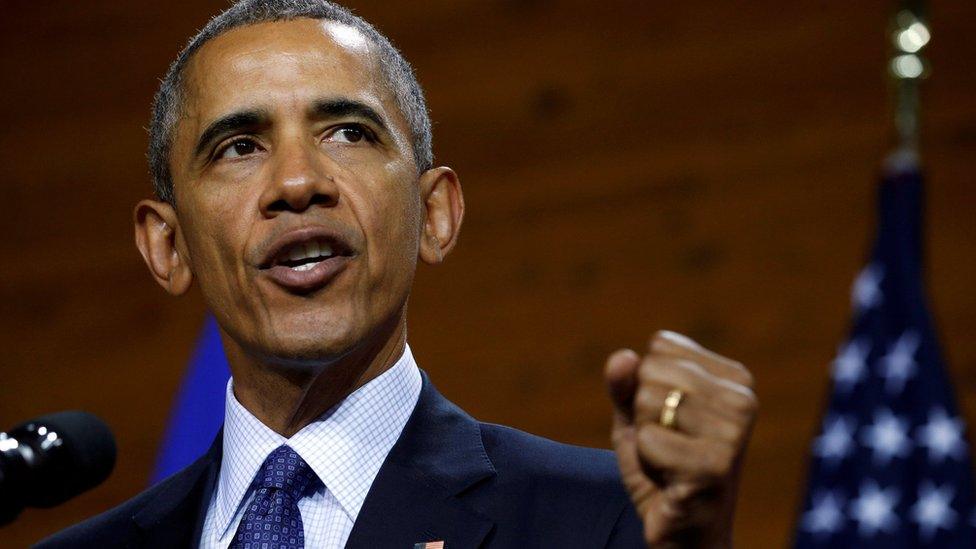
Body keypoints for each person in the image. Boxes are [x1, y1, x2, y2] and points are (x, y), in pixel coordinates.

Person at [38, 1, 757, 547]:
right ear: (168, 247)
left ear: (435, 214)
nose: (297, 182)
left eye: (349, 132)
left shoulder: (601, 520)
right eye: (238, 146)